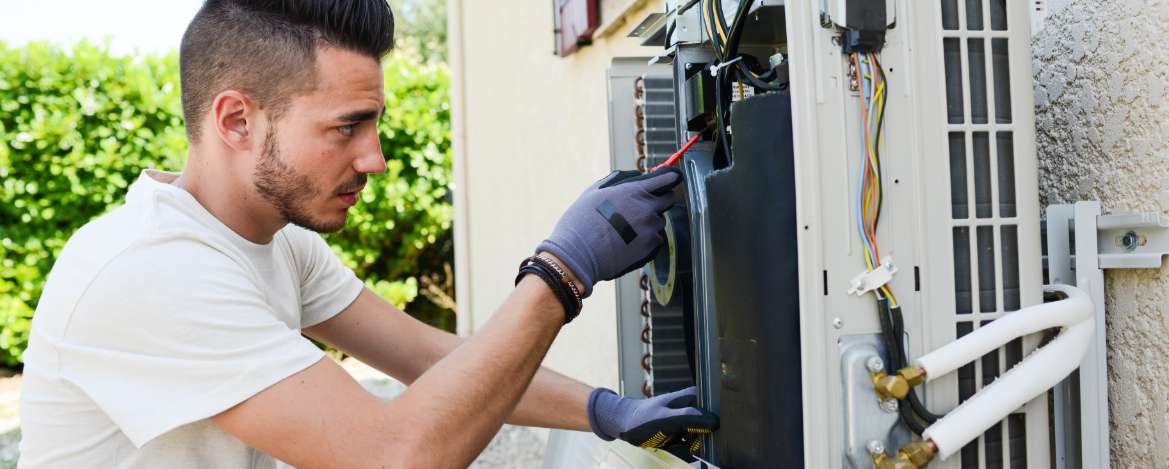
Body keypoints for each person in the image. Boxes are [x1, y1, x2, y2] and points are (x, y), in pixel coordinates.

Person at [16, 1, 718, 467]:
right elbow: (396, 455)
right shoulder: (151, 268)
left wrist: (602, 409)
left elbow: (427, 355)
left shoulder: (274, 240)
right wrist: (560, 273)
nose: (374, 158)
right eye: (346, 126)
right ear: (236, 121)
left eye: (373, 123)